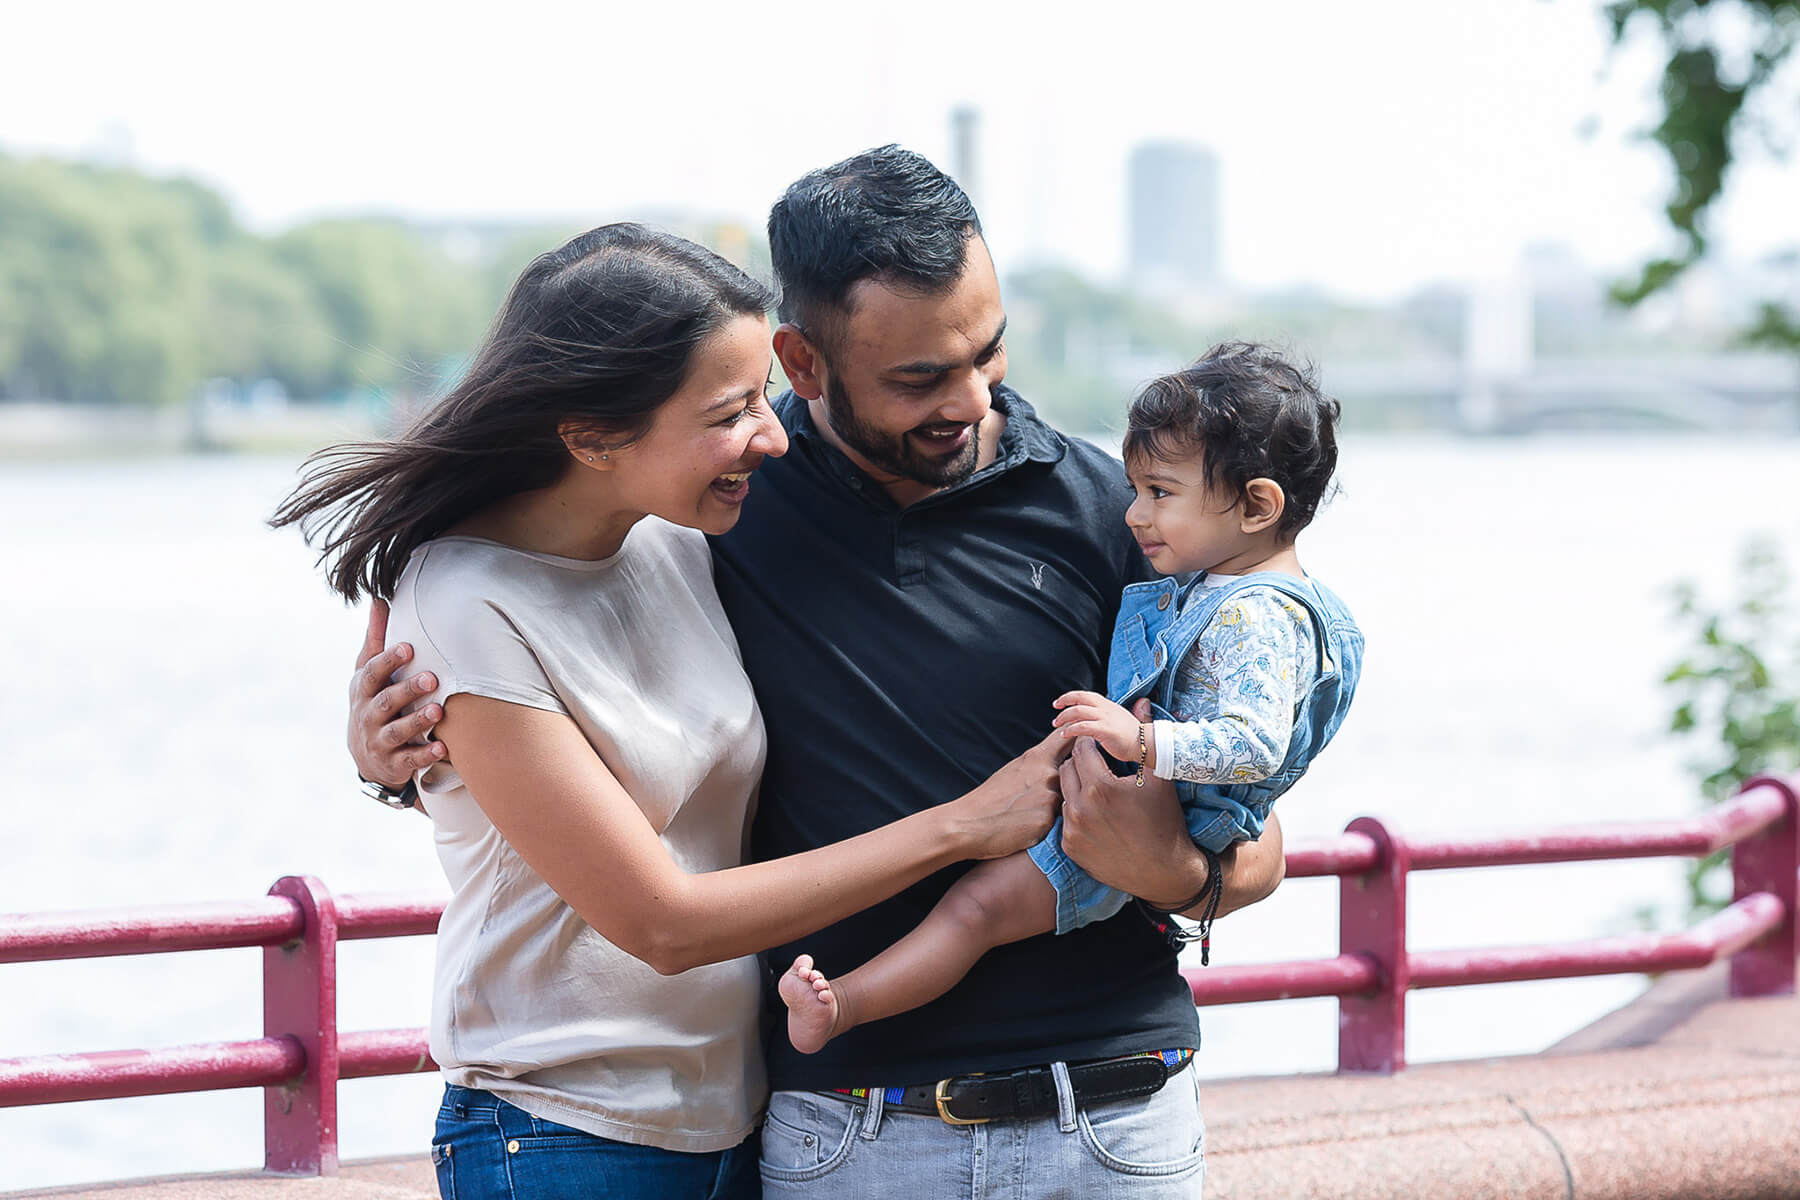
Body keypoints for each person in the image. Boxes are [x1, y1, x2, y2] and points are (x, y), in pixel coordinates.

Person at [350, 149, 1289, 1198]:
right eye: (919, 379)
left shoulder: (1120, 517)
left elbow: (1259, 823)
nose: (971, 400)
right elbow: (521, 649)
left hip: (1111, 1115)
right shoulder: (719, 505)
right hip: (829, 1132)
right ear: (801, 362)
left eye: (988, 353)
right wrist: (401, 754)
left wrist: (1177, 868)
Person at [274, 223, 1072, 1200]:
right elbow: (661, 921)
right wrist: (964, 826)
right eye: (733, 412)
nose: (773, 438)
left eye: (764, 401)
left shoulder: (678, 539)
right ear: (592, 436)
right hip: (561, 1131)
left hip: (732, 1117)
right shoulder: (461, 600)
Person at [778, 342, 1364, 1056]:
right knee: (976, 910)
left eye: (1160, 493)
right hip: (1150, 816)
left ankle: (842, 1008)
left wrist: (1140, 740)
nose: (1132, 515)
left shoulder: (1255, 614)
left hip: (1157, 826)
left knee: (976, 910)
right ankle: (842, 1005)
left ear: (1256, 505)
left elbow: (1255, 747)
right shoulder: (1220, 590)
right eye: (1137, 488)